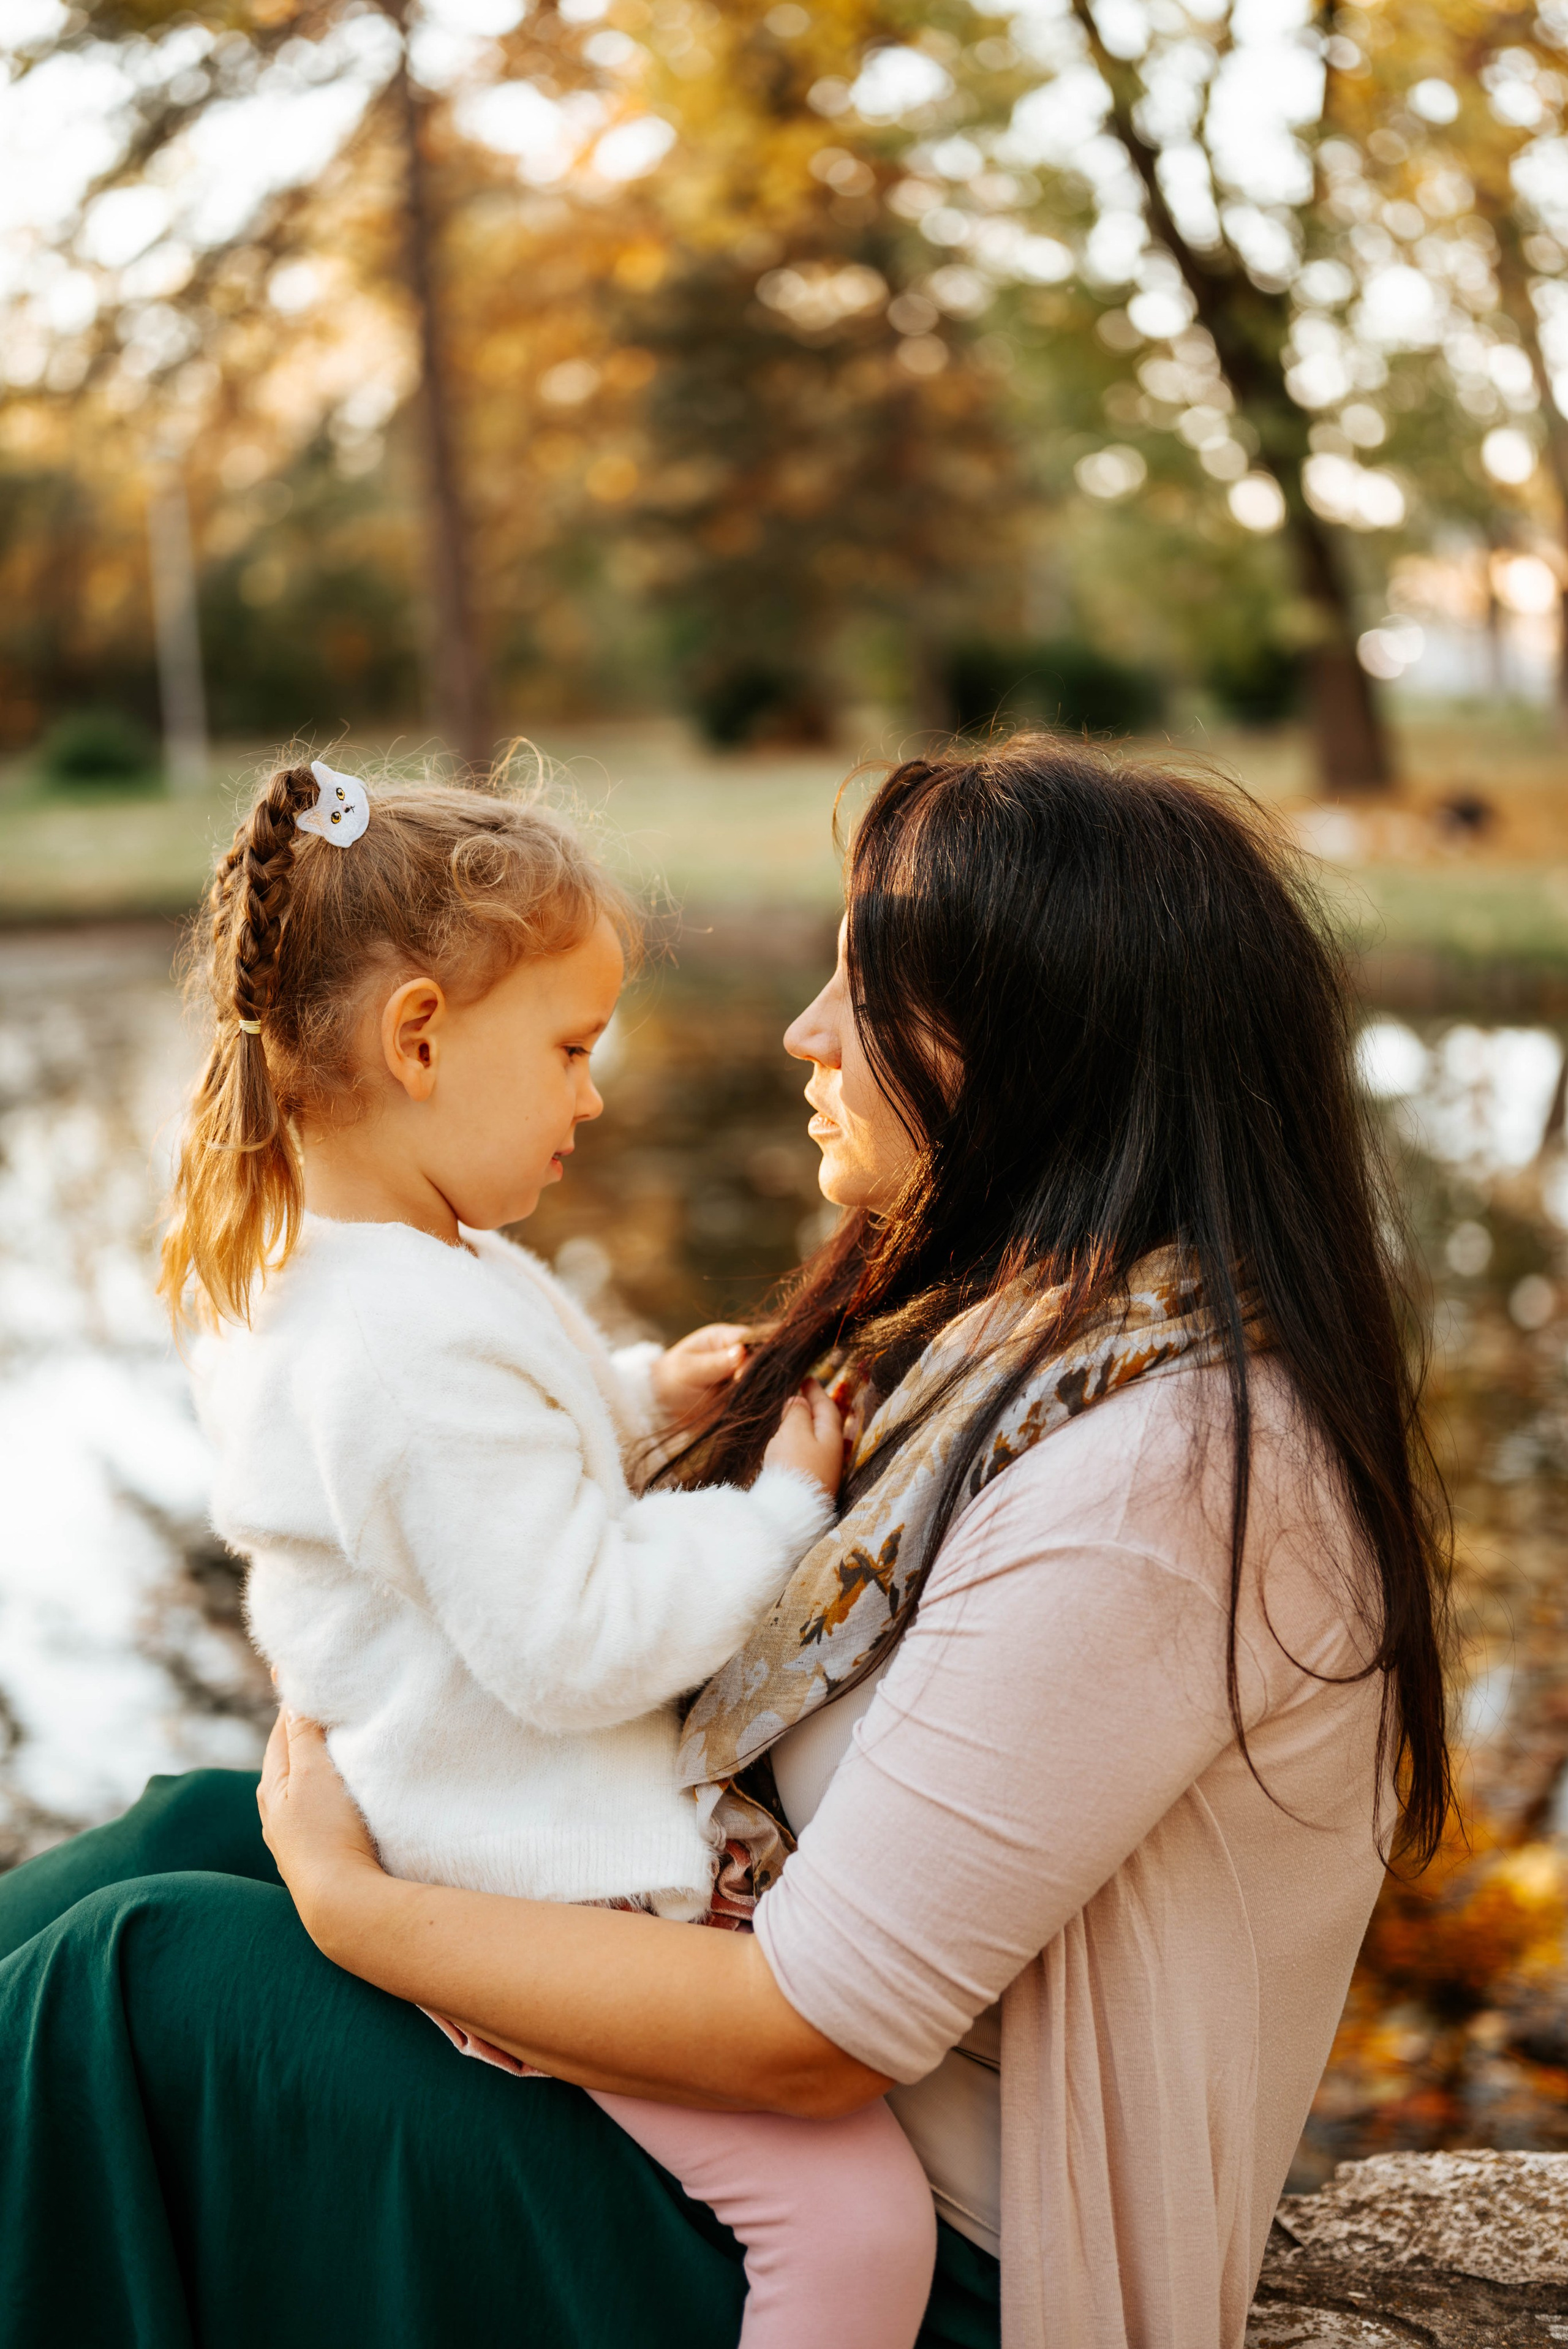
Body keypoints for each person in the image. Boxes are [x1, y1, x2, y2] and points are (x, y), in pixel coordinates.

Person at [0, 737, 1450, 2349]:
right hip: (766, 2129)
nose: (803, 1033)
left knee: (141, 1984)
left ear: (1035, 1044)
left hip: (923, 2272)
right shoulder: (997, 1333)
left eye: (864, 991)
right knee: (180, 1831)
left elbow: (815, 2032)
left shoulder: (1160, 1478)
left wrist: (359, 1910)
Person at [160, 756, 938, 2349]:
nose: (595, 1094)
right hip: (524, 1876)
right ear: (421, 1036)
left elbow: (500, 1467)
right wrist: (780, 1514)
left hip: (491, 1819)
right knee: (851, 2223)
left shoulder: (385, 1262)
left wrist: (646, 1393)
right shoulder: (398, 1341)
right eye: (573, 1051)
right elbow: (570, 1636)